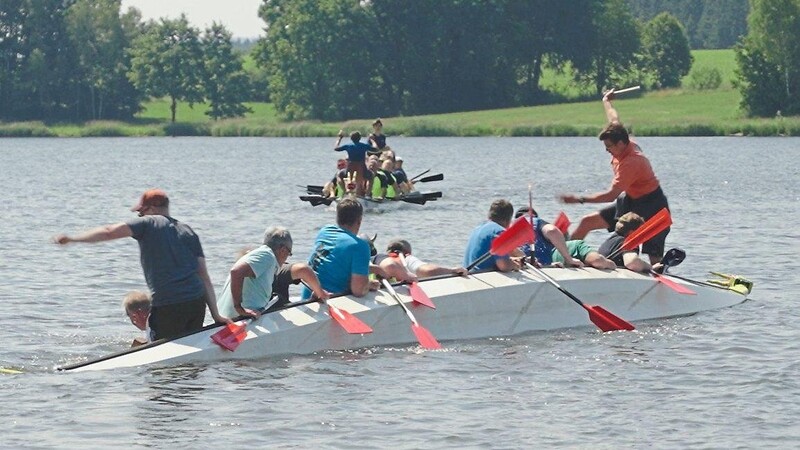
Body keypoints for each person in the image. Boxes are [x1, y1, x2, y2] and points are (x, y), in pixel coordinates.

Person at [53, 188, 231, 340]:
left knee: (160, 359)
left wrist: (73, 239)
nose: (139, 216)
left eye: (141, 212)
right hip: (196, 303)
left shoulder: (148, 223)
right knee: (189, 351)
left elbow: (109, 232)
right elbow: (204, 276)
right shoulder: (188, 231)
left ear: (151, 208)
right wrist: (216, 314)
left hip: (169, 304)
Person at [558, 88, 670, 264]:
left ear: (620, 143)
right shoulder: (621, 139)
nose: (607, 150)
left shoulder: (631, 162)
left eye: (609, 146)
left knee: (654, 256)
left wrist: (579, 199)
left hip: (652, 207)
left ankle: (659, 280)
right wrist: (606, 100)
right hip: (630, 202)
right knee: (586, 222)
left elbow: (610, 195)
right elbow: (613, 118)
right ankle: (566, 259)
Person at [217, 227, 329, 319]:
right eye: (289, 253)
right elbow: (236, 272)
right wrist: (239, 307)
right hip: (239, 319)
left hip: (227, 318)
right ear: (283, 250)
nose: (286, 259)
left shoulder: (260, 256)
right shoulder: (268, 256)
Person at [303, 197, 385, 298]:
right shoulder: (360, 246)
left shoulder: (325, 231)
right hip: (328, 300)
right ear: (359, 221)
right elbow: (358, 291)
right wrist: (369, 285)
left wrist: (376, 269)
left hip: (306, 299)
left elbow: (337, 263)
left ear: (337, 218)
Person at [515, 208, 614, 270]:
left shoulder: (508, 228)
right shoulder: (536, 221)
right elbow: (552, 231)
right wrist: (569, 259)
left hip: (520, 266)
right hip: (541, 269)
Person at [463, 199, 521, 273]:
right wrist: (516, 265)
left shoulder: (478, 228)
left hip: (469, 274)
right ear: (508, 220)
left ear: (489, 215)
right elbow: (504, 266)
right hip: (482, 276)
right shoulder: (499, 232)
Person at [598, 212, 664, 273]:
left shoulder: (609, 241)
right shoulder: (628, 242)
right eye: (641, 231)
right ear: (631, 232)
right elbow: (632, 263)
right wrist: (651, 267)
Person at [385, 239, 467, 277]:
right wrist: (452, 270)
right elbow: (429, 271)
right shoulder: (407, 259)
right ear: (407, 252)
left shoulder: (380, 261)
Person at [334, 130, 372, 196]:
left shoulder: (348, 145)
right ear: (360, 138)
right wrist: (372, 139)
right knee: (372, 175)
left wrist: (340, 138)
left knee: (339, 174)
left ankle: (345, 191)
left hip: (350, 168)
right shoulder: (364, 145)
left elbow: (336, 148)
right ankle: (368, 194)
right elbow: (376, 149)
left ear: (351, 138)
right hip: (362, 168)